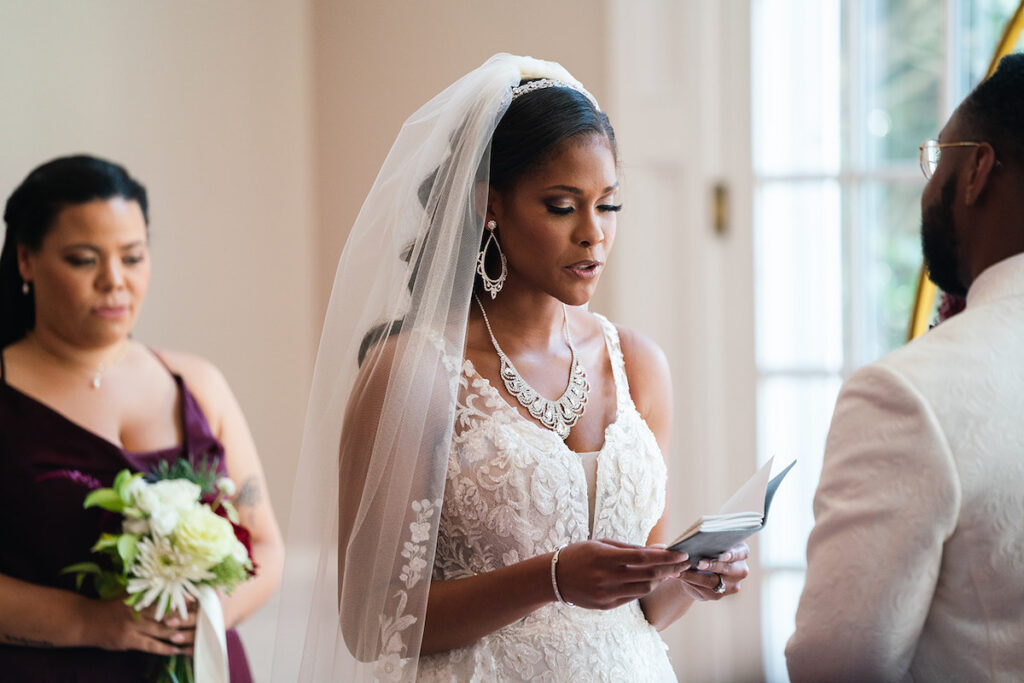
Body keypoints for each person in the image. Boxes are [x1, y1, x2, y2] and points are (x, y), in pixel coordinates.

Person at [273, 54, 749, 682]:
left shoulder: (637, 364)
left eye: (608, 206)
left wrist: (686, 577)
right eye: (561, 206)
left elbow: (635, 611)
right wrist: (548, 578)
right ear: (489, 204)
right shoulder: (415, 372)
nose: (593, 235)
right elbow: (367, 624)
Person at [0, 155, 285, 681]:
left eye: (132, 257)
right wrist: (89, 622)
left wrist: (213, 612)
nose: (114, 281)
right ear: (25, 260)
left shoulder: (197, 382)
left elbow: (264, 542)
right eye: (84, 259)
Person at [786, 53, 1024, 681]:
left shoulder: (905, 394)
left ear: (976, 170)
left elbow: (834, 664)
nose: (928, 188)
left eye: (935, 159)